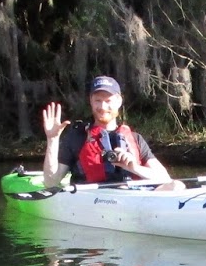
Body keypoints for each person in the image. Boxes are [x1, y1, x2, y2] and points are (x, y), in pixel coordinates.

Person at [41, 75, 175, 187]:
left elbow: (165, 178)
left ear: (119, 101)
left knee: (176, 186)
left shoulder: (135, 138)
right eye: (97, 101)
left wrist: (134, 168)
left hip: (132, 198)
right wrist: (52, 139)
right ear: (91, 102)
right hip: (93, 199)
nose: (103, 107)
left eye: (108, 100)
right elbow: (51, 183)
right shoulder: (77, 137)